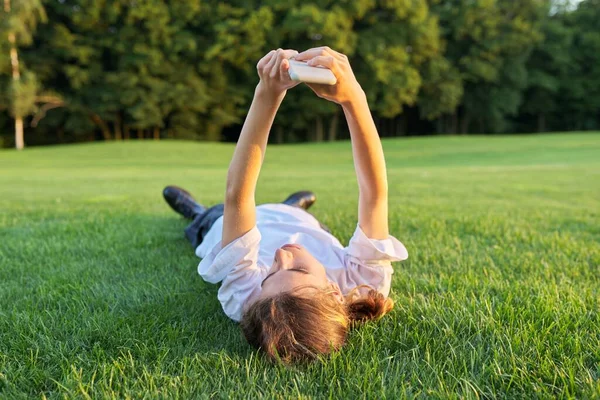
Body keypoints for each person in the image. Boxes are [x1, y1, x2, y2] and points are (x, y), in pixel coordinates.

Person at [163, 47, 408, 364]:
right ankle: (293, 207)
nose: (281, 255)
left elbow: (238, 195)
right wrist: (354, 99)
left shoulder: (248, 301)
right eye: (298, 268)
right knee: (302, 221)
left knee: (210, 220)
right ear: (334, 292)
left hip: (230, 223)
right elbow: (374, 194)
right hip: (304, 226)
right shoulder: (364, 282)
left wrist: (267, 94)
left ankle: (194, 210)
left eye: (269, 274)